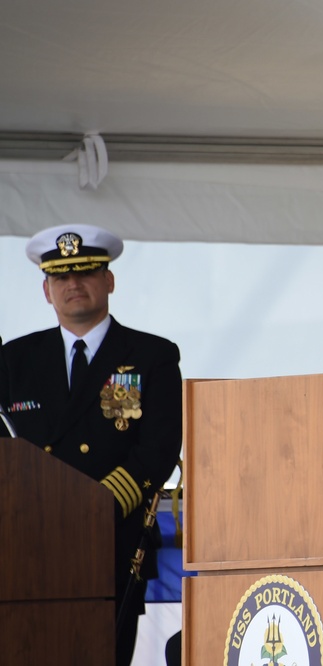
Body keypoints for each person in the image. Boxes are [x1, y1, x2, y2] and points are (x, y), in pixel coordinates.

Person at [0, 224, 182, 666]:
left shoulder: (151, 355)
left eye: (85, 272)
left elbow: (157, 450)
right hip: (28, 546)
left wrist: (92, 509)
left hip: (111, 543)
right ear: (46, 290)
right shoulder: (12, 361)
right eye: (61, 277)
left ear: (109, 281)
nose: (73, 284)